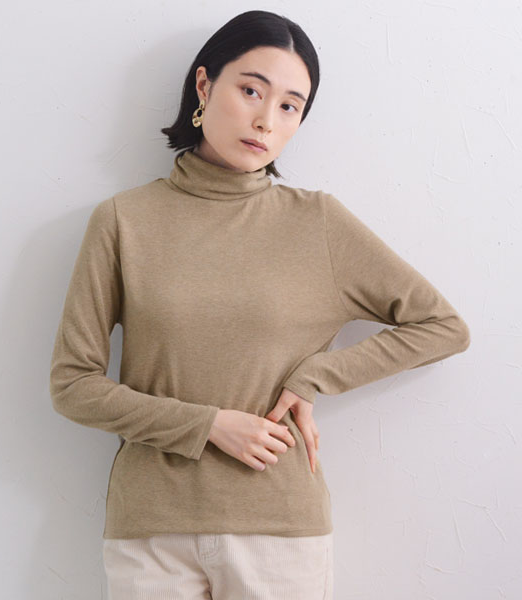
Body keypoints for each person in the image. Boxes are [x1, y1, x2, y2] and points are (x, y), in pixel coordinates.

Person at [49, 10, 471, 600]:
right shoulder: (123, 221)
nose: (266, 120)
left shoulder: (318, 223)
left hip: (280, 535)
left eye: (290, 106)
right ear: (204, 85)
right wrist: (208, 425)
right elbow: (73, 385)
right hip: (151, 533)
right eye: (251, 90)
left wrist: (316, 375)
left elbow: (443, 326)